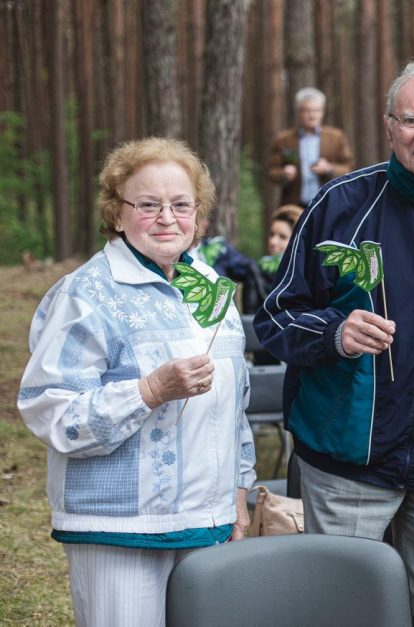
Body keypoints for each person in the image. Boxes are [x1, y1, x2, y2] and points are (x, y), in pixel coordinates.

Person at [254, 59, 414, 606]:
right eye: (412, 121)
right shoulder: (339, 204)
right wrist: (334, 332)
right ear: (388, 125)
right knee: (342, 611)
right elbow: (274, 318)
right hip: (346, 469)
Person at [18, 137, 256, 626]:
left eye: (180, 204)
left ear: (199, 213)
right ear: (117, 213)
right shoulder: (86, 293)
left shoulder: (211, 288)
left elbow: (236, 410)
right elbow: (49, 409)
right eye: (148, 205)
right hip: (116, 527)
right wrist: (148, 391)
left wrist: (237, 494)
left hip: (207, 523)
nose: (167, 218)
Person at [268, 87, 354, 207]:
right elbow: (271, 172)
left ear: (322, 112)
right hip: (294, 206)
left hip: (328, 204)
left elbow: (349, 168)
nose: (312, 115)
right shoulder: (284, 140)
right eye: (307, 110)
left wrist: (329, 168)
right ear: (298, 112)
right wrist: (284, 173)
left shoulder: (336, 138)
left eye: (316, 110)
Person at [257, 203, 304, 286]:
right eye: (272, 234)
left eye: (282, 237)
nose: (273, 242)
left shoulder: (304, 279)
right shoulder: (259, 268)